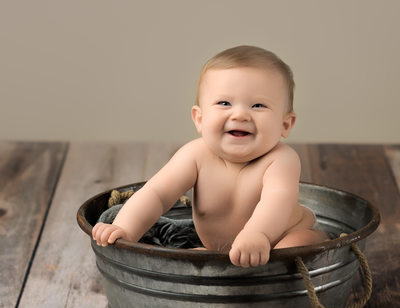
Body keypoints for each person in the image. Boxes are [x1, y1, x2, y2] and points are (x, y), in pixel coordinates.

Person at [92, 45, 328, 267]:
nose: (240, 115)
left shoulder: (281, 159)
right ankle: (224, 269)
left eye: (258, 106)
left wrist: (259, 234)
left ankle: (272, 269)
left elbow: (277, 200)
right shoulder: (195, 155)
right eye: (224, 103)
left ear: (285, 124)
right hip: (222, 250)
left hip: (282, 236)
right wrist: (125, 228)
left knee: (294, 248)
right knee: (193, 260)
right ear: (200, 119)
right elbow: (156, 194)